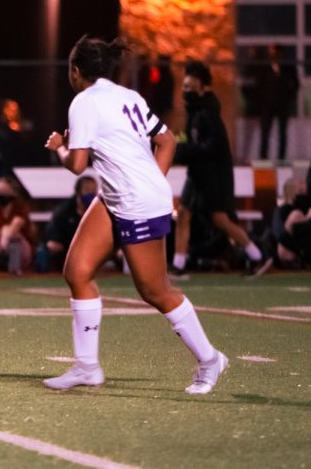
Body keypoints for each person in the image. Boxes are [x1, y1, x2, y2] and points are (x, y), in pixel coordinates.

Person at [43, 36, 228, 395]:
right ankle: (87, 367)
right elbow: (168, 141)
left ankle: (210, 359)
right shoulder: (128, 95)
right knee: (77, 271)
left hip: (135, 202)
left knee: (154, 290)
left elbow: (77, 165)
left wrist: (60, 147)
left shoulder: (83, 102)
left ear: (76, 71)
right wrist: (149, 182)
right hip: (117, 196)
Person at [170, 61, 270, 279]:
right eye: (184, 87)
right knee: (184, 214)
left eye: (190, 87)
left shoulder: (207, 114)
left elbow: (212, 147)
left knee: (219, 219)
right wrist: (182, 148)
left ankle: (257, 255)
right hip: (197, 173)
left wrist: (182, 151)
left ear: (204, 87)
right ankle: (179, 265)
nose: (185, 91)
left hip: (212, 174)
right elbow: (194, 143)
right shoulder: (195, 112)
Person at [0, 175, 37, 274]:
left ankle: (14, 267)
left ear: (13, 193)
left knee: (8, 231)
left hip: (21, 249)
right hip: (0, 248)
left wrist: (5, 237)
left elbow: (16, 224)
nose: (0, 194)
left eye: (3, 192)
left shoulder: (20, 207)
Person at [43, 175, 97, 272]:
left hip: (89, 249)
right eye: (87, 190)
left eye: (94, 190)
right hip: (67, 249)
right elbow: (53, 236)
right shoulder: (64, 210)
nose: (91, 193)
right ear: (78, 191)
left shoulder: (98, 210)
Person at [257, 44, 299, 161]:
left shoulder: (288, 68)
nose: (274, 55)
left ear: (281, 54)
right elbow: (258, 85)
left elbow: (295, 85)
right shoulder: (264, 68)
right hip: (267, 105)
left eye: (276, 53)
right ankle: (263, 158)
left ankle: (281, 158)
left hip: (282, 105)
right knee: (265, 132)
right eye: (272, 53)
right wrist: (262, 100)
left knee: (282, 133)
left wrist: (289, 98)